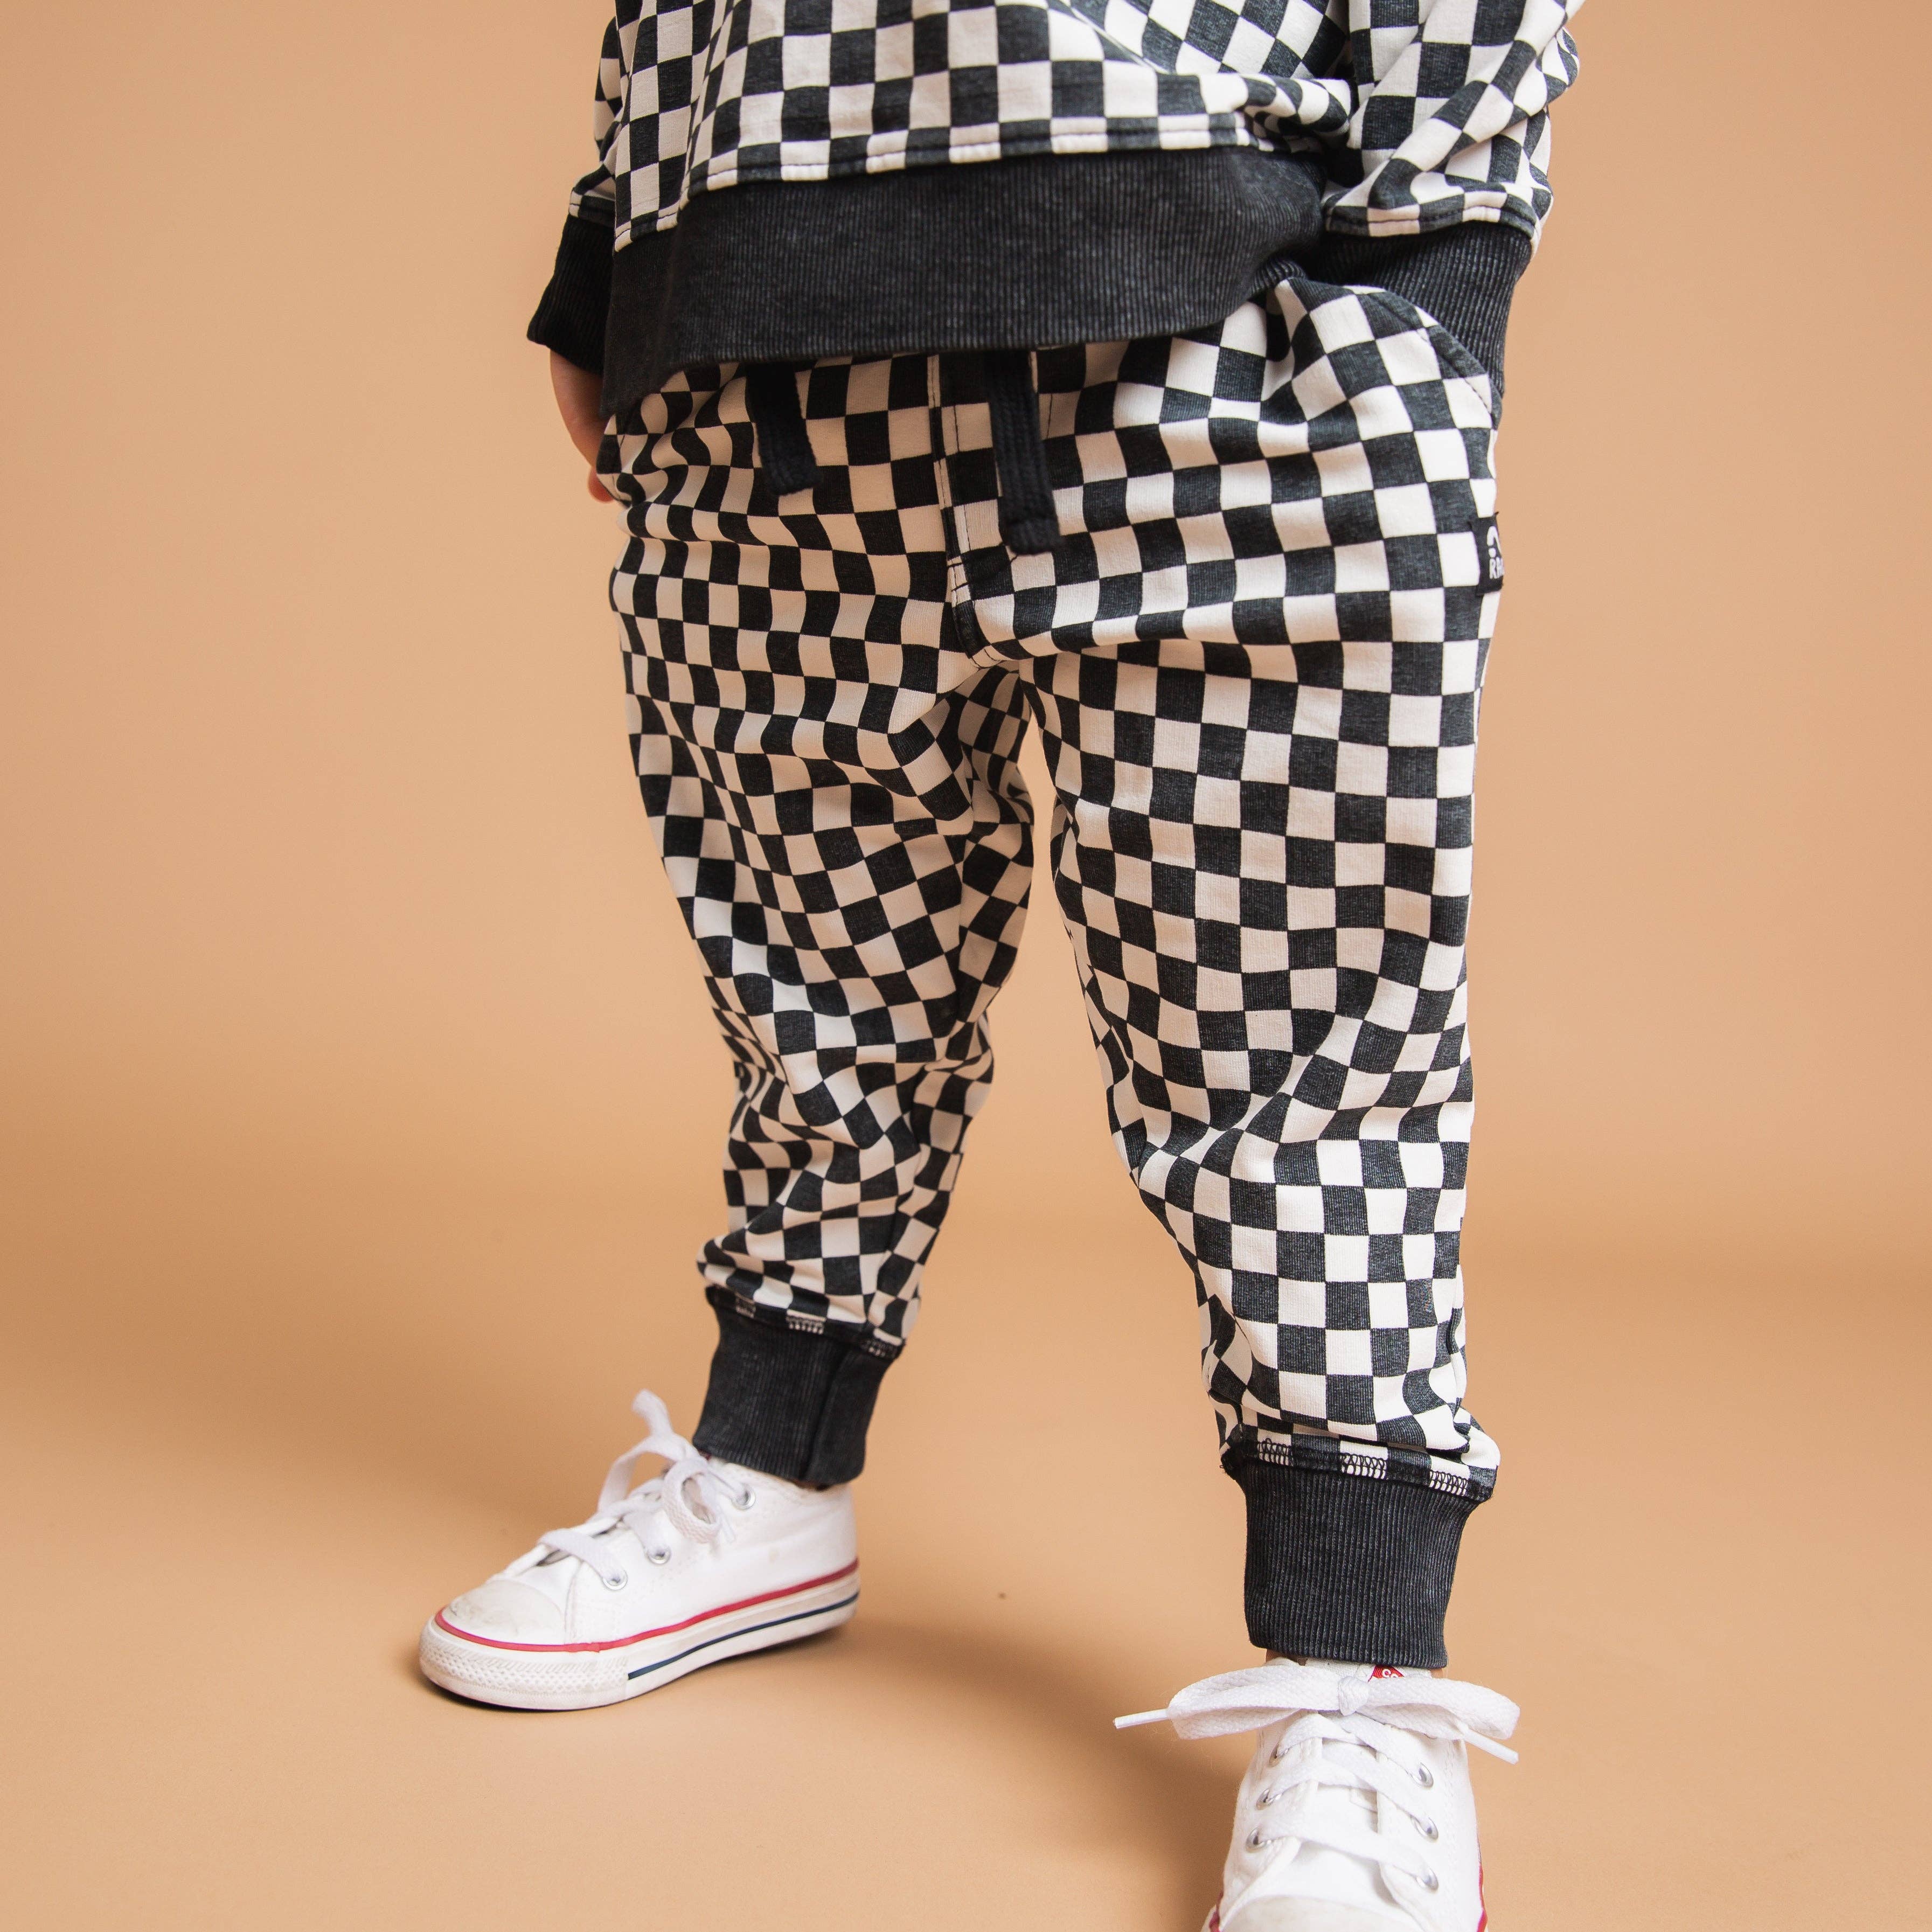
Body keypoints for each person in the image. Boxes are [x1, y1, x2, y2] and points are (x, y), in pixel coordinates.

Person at [419, 3, 1582, 1924]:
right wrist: (613, 264)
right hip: (762, 376)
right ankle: (768, 1474)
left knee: (1295, 1045)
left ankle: (1359, 1661)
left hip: (1225, 369)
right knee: (814, 1004)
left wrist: (1432, 298)